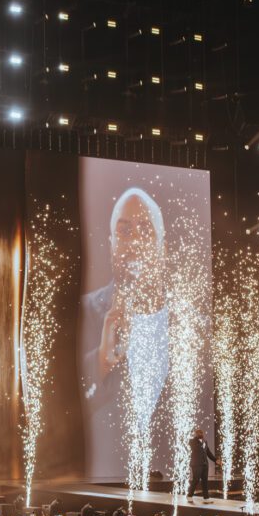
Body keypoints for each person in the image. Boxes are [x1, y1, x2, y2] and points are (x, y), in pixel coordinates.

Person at [80, 187, 170, 479]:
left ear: (162, 244)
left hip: (168, 479)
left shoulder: (195, 325)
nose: (135, 242)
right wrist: (102, 361)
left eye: (146, 230)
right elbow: (57, 407)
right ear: (111, 244)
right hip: (104, 479)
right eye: (125, 232)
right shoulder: (85, 313)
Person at [189, 428, 217, 503]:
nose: (200, 434)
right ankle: (189, 495)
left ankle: (206, 498)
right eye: (198, 433)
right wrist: (202, 443)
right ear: (196, 434)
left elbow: (208, 453)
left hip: (205, 464)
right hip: (196, 464)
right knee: (196, 480)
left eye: (201, 433)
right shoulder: (192, 441)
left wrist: (215, 460)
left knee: (205, 481)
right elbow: (196, 449)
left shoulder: (205, 441)